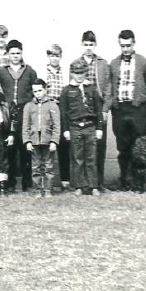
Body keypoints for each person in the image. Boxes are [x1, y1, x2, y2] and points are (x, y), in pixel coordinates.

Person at [108, 30, 146, 192]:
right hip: (120, 110)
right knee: (123, 147)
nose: (126, 49)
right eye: (122, 46)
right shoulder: (114, 64)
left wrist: (142, 101)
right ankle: (124, 181)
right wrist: (114, 105)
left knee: (138, 146)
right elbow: (109, 86)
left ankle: (140, 183)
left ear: (134, 43)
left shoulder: (144, 62)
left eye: (128, 45)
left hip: (137, 110)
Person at [0, 40, 38, 192]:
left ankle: (27, 183)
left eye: (18, 53)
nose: (15, 56)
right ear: (8, 54)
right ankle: (10, 183)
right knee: (9, 149)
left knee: (26, 148)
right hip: (7, 114)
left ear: (22, 53)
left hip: (24, 112)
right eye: (12, 53)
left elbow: (34, 92)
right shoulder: (1, 72)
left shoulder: (30, 71)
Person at [75, 30, 114, 193]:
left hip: (99, 108)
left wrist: (105, 109)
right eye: (86, 44)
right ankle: (83, 185)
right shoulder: (76, 63)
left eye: (91, 44)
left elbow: (108, 88)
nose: (88, 47)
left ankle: (98, 183)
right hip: (83, 109)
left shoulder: (103, 63)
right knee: (82, 148)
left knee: (99, 146)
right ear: (82, 45)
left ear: (95, 45)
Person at [62, 59, 106, 195]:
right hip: (75, 127)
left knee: (91, 157)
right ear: (72, 73)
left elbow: (98, 110)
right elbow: (63, 112)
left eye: (81, 73)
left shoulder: (92, 89)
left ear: (86, 73)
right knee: (77, 157)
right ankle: (79, 186)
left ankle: (93, 186)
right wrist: (66, 130)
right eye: (76, 73)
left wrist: (99, 128)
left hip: (90, 126)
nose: (79, 76)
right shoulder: (66, 90)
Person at [23, 79, 61, 197]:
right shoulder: (28, 106)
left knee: (49, 166)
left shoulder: (52, 105)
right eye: (35, 91)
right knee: (36, 166)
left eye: (40, 90)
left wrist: (54, 141)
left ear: (45, 90)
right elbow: (25, 125)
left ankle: (48, 189)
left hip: (48, 140)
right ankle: (38, 189)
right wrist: (27, 141)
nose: (37, 93)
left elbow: (57, 125)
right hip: (34, 140)